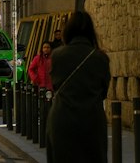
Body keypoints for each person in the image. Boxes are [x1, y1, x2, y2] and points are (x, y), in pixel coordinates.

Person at [45, 11, 111, 163]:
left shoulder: (57, 56)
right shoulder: (100, 58)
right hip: (92, 121)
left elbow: (55, 84)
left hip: (62, 120)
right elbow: (103, 91)